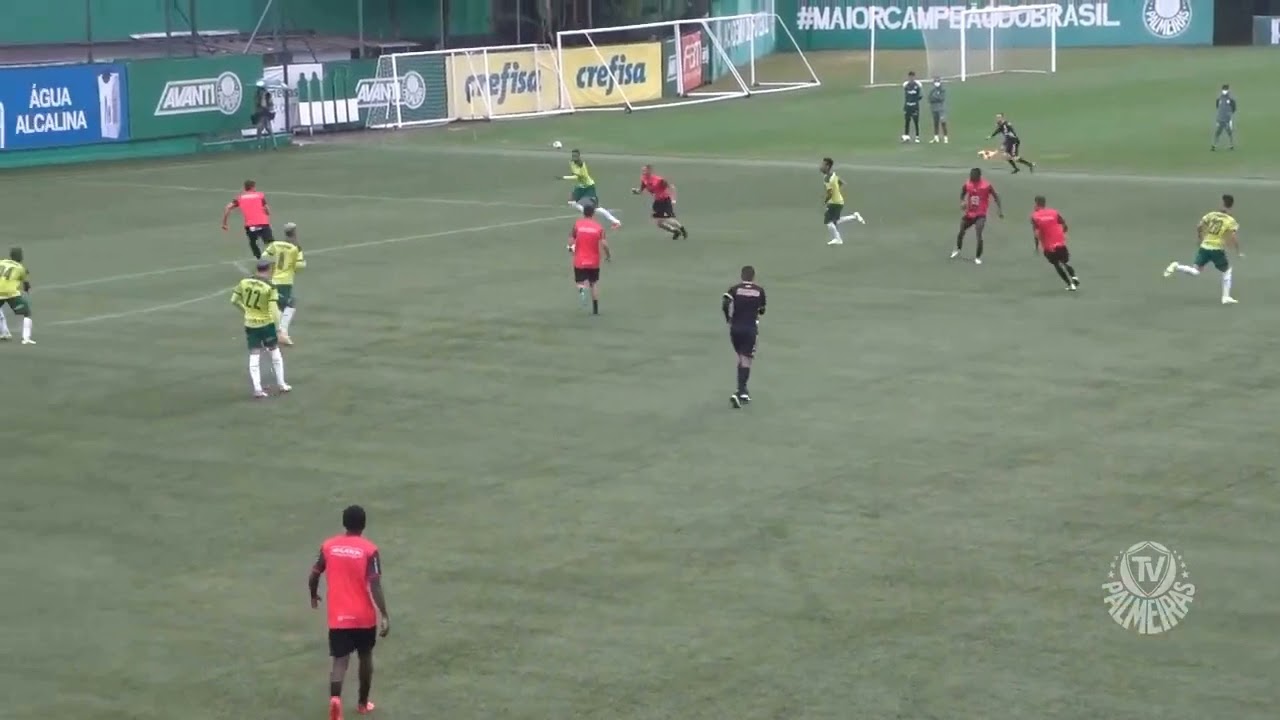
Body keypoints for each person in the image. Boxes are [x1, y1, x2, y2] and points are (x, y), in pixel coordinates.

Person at [309, 505, 391, 720]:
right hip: (364, 616)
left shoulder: (329, 547)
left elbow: (314, 574)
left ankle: (335, 700)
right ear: (363, 525)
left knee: (339, 660)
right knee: (365, 657)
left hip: (338, 616)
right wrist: (384, 614)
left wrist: (313, 595)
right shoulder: (369, 550)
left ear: (344, 523)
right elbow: (375, 585)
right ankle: (363, 703)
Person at [1164, 194, 1240, 305]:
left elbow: (1199, 226)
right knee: (1227, 271)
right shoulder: (1230, 220)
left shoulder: (1211, 215)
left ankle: (1176, 266)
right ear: (1231, 206)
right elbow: (1233, 236)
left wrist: (1200, 238)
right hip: (1216, 249)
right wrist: (1238, 251)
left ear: (1222, 203)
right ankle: (1226, 297)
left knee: (1195, 271)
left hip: (1205, 246)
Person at [230, 258, 290, 398]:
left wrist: (246, 311)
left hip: (250, 324)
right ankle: (281, 384)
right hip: (266, 324)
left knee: (254, 355)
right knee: (274, 352)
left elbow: (234, 300)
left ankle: (257, 389)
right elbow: (274, 310)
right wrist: (278, 328)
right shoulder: (270, 287)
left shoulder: (244, 282)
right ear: (268, 269)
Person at [722, 265, 766, 408]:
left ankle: (743, 391)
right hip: (750, 329)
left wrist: (728, 318)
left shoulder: (734, 289)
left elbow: (725, 302)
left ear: (742, 276)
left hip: (735, 329)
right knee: (746, 359)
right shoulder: (759, 291)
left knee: (741, 357)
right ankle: (740, 391)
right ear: (753, 277)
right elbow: (762, 310)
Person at [262, 222, 306, 345]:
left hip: (274, 279)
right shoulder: (296, 248)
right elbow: (300, 266)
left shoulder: (275, 245)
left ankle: (275, 333)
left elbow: (264, 257)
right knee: (289, 304)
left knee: (281, 306)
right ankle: (281, 333)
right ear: (295, 233)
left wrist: (273, 266)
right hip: (285, 282)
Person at [952, 168, 1002, 264]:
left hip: (980, 214)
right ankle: (958, 249)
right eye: (970, 175)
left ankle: (978, 257)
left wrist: (999, 210)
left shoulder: (986, 185)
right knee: (961, 231)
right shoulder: (968, 183)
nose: (971, 177)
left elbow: (996, 196)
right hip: (969, 213)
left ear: (978, 176)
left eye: (973, 176)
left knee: (979, 235)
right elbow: (962, 193)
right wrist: (962, 201)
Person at [569, 202, 611, 315]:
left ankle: (582, 291)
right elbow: (604, 244)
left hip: (580, 260)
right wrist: (608, 255)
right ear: (593, 213)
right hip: (594, 261)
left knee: (579, 281)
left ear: (583, 213)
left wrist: (570, 248)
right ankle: (595, 309)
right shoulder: (598, 227)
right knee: (593, 283)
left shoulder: (577, 225)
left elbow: (571, 239)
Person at [1030, 196, 1079, 291]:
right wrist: (1062, 234)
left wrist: (1037, 246)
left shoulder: (1035, 216)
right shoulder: (1054, 212)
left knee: (1057, 264)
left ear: (1036, 204)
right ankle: (1074, 277)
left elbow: (1036, 234)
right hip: (1060, 242)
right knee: (1065, 262)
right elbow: (1064, 225)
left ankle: (1070, 284)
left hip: (1049, 246)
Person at [561, 149, 621, 228]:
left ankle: (616, 222)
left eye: (575, 155)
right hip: (580, 186)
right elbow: (574, 173)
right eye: (573, 155)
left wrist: (563, 177)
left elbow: (577, 176)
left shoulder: (582, 165)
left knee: (596, 208)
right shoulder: (571, 163)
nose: (574, 157)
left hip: (589, 187)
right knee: (571, 202)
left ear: (579, 156)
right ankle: (587, 213)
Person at [632, 165, 687, 240]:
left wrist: (673, 199)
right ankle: (675, 231)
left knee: (668, 219)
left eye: (645, 171)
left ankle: (682, 229)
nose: (643, 172)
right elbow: (641, 190)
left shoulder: (659, 180)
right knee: (659, 223)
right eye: (642, 171)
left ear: (650, 171)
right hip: (657, 202)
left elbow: (672, 187)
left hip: (665, 201)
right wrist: (636, 191)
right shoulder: (644, 179)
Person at [222, 180, 274, 258]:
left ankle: (259, 258)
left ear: (245, 188)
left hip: (251, 226)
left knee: (253, 242)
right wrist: (267, 213)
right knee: (270, 243)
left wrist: (224, 223)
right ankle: (272, 258)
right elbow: (267, 210)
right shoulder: (260, 195)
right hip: (263, 223)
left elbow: (227, 208)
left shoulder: (240, 198)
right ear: (253, 187)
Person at [819, 157, 865, 246]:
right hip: (838, 201)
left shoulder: (827, 179)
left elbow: (829, 193)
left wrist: (824, 202)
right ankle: (854, 216)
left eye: (823, 165)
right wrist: (836, 190)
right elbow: (842, 183)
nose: (821, 166)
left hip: (834, 203)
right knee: (835, 221)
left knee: (828, 222)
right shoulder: (833, 175)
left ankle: (838, 239)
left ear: (827, 166)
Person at [0, 247, 34, 345]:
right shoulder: (20, 268)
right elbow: (26, 284)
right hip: (10, 294)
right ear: (20, 257)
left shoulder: (2, 262)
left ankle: (4, 333)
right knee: (27, 312)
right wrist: (27, 290)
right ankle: (26, 338)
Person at [1211, 83, 1236, 151]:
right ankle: (1214, 146)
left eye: (1226, 89)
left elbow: (1234, 109)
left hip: (1227, 119)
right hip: (1220, 119)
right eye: (1224, 89)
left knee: (1229, 132)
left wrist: (1228, 114)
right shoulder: (1219, 99)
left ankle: (1231, 145)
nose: (1225, 91)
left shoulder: (1231, 100)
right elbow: (1217, 107)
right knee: (1218, 132)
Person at [901, 71, 922, 143]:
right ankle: (906, 136)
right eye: (910, 77)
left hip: (915, 106)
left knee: (916, 122)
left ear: (914, 77)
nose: (911, 78)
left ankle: (917, 137)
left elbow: (920, 96)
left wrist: (915, 101)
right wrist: (905, 106)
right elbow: (906, 96)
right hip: (908, 106)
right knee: (907, 122)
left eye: (912, 77)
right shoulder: (906, 85)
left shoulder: (917, 85)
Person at [928, 77, 949, 144]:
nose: (936, 83)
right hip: (934, 108)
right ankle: (936, 138)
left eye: (937, 82)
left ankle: (945, 138)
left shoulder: (942, 90)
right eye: (935, 82)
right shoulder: (932, 90)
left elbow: (941, 98)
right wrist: (935, 98)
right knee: (935, 123)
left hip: (940, 109)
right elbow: (929, 99)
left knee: (943, 122)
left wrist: (934, 98)